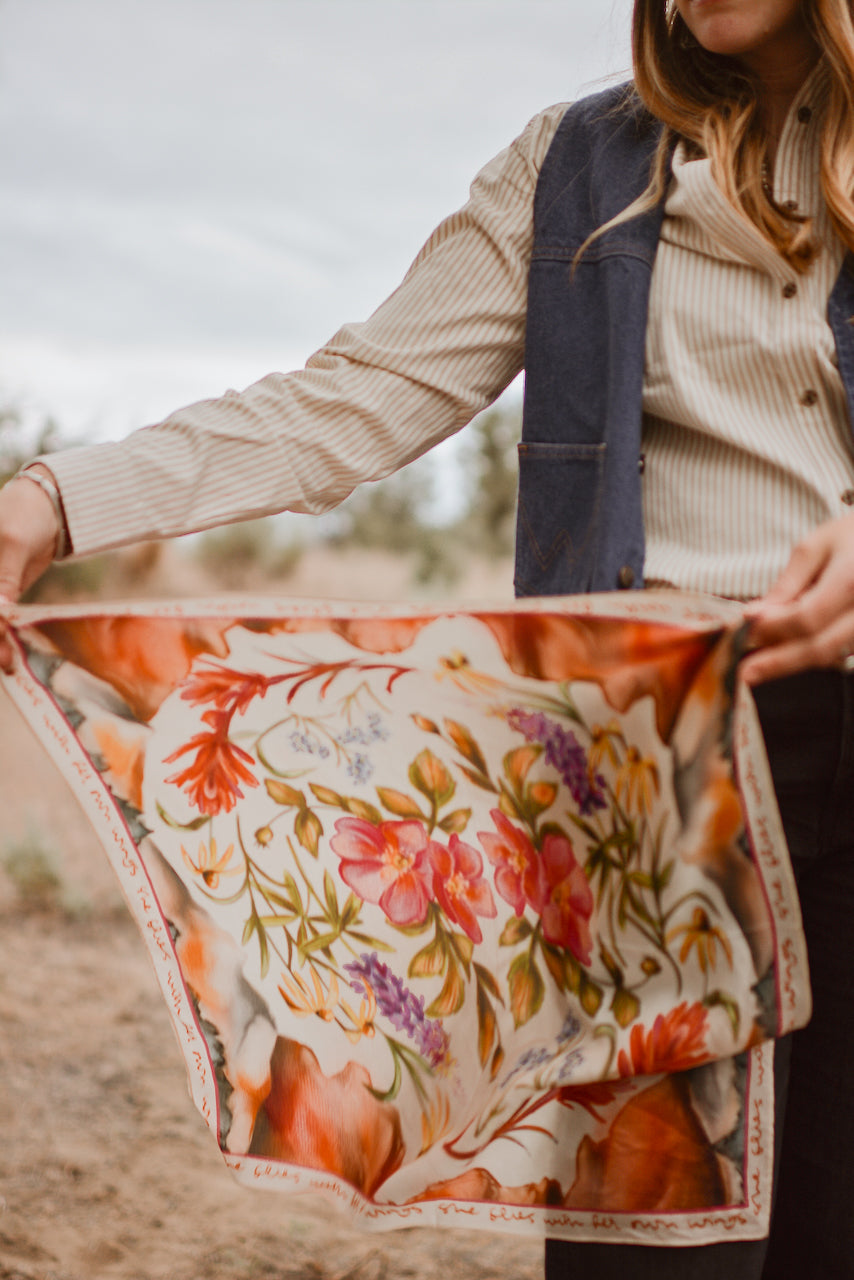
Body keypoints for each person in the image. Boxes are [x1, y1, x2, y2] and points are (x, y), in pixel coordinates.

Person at [1, 0, 854, 1274]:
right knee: (651, 1248)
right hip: (645, 782)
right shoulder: (571, 167)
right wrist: (51, 498)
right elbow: (348, 400)